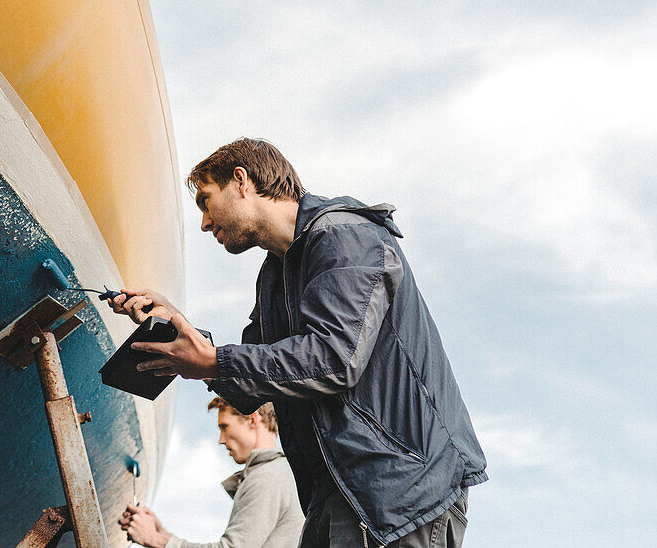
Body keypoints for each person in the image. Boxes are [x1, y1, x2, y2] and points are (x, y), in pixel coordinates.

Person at [109, 138, 486, 548]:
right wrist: (179, 329)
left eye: (205, 200)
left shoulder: (347, 237)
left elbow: (334, 358)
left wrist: (213, 361)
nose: (203, 222)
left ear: (242, 181)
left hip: (398, 491)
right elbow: (252, 380)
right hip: (336, 492)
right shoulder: (274, 280)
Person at [119, 398, 304, 547]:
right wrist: (161, 533)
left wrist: (155, 539)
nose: (221, 440)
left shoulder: (268, 477)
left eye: (225, 427)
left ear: (252, 418)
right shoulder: (280, 473)